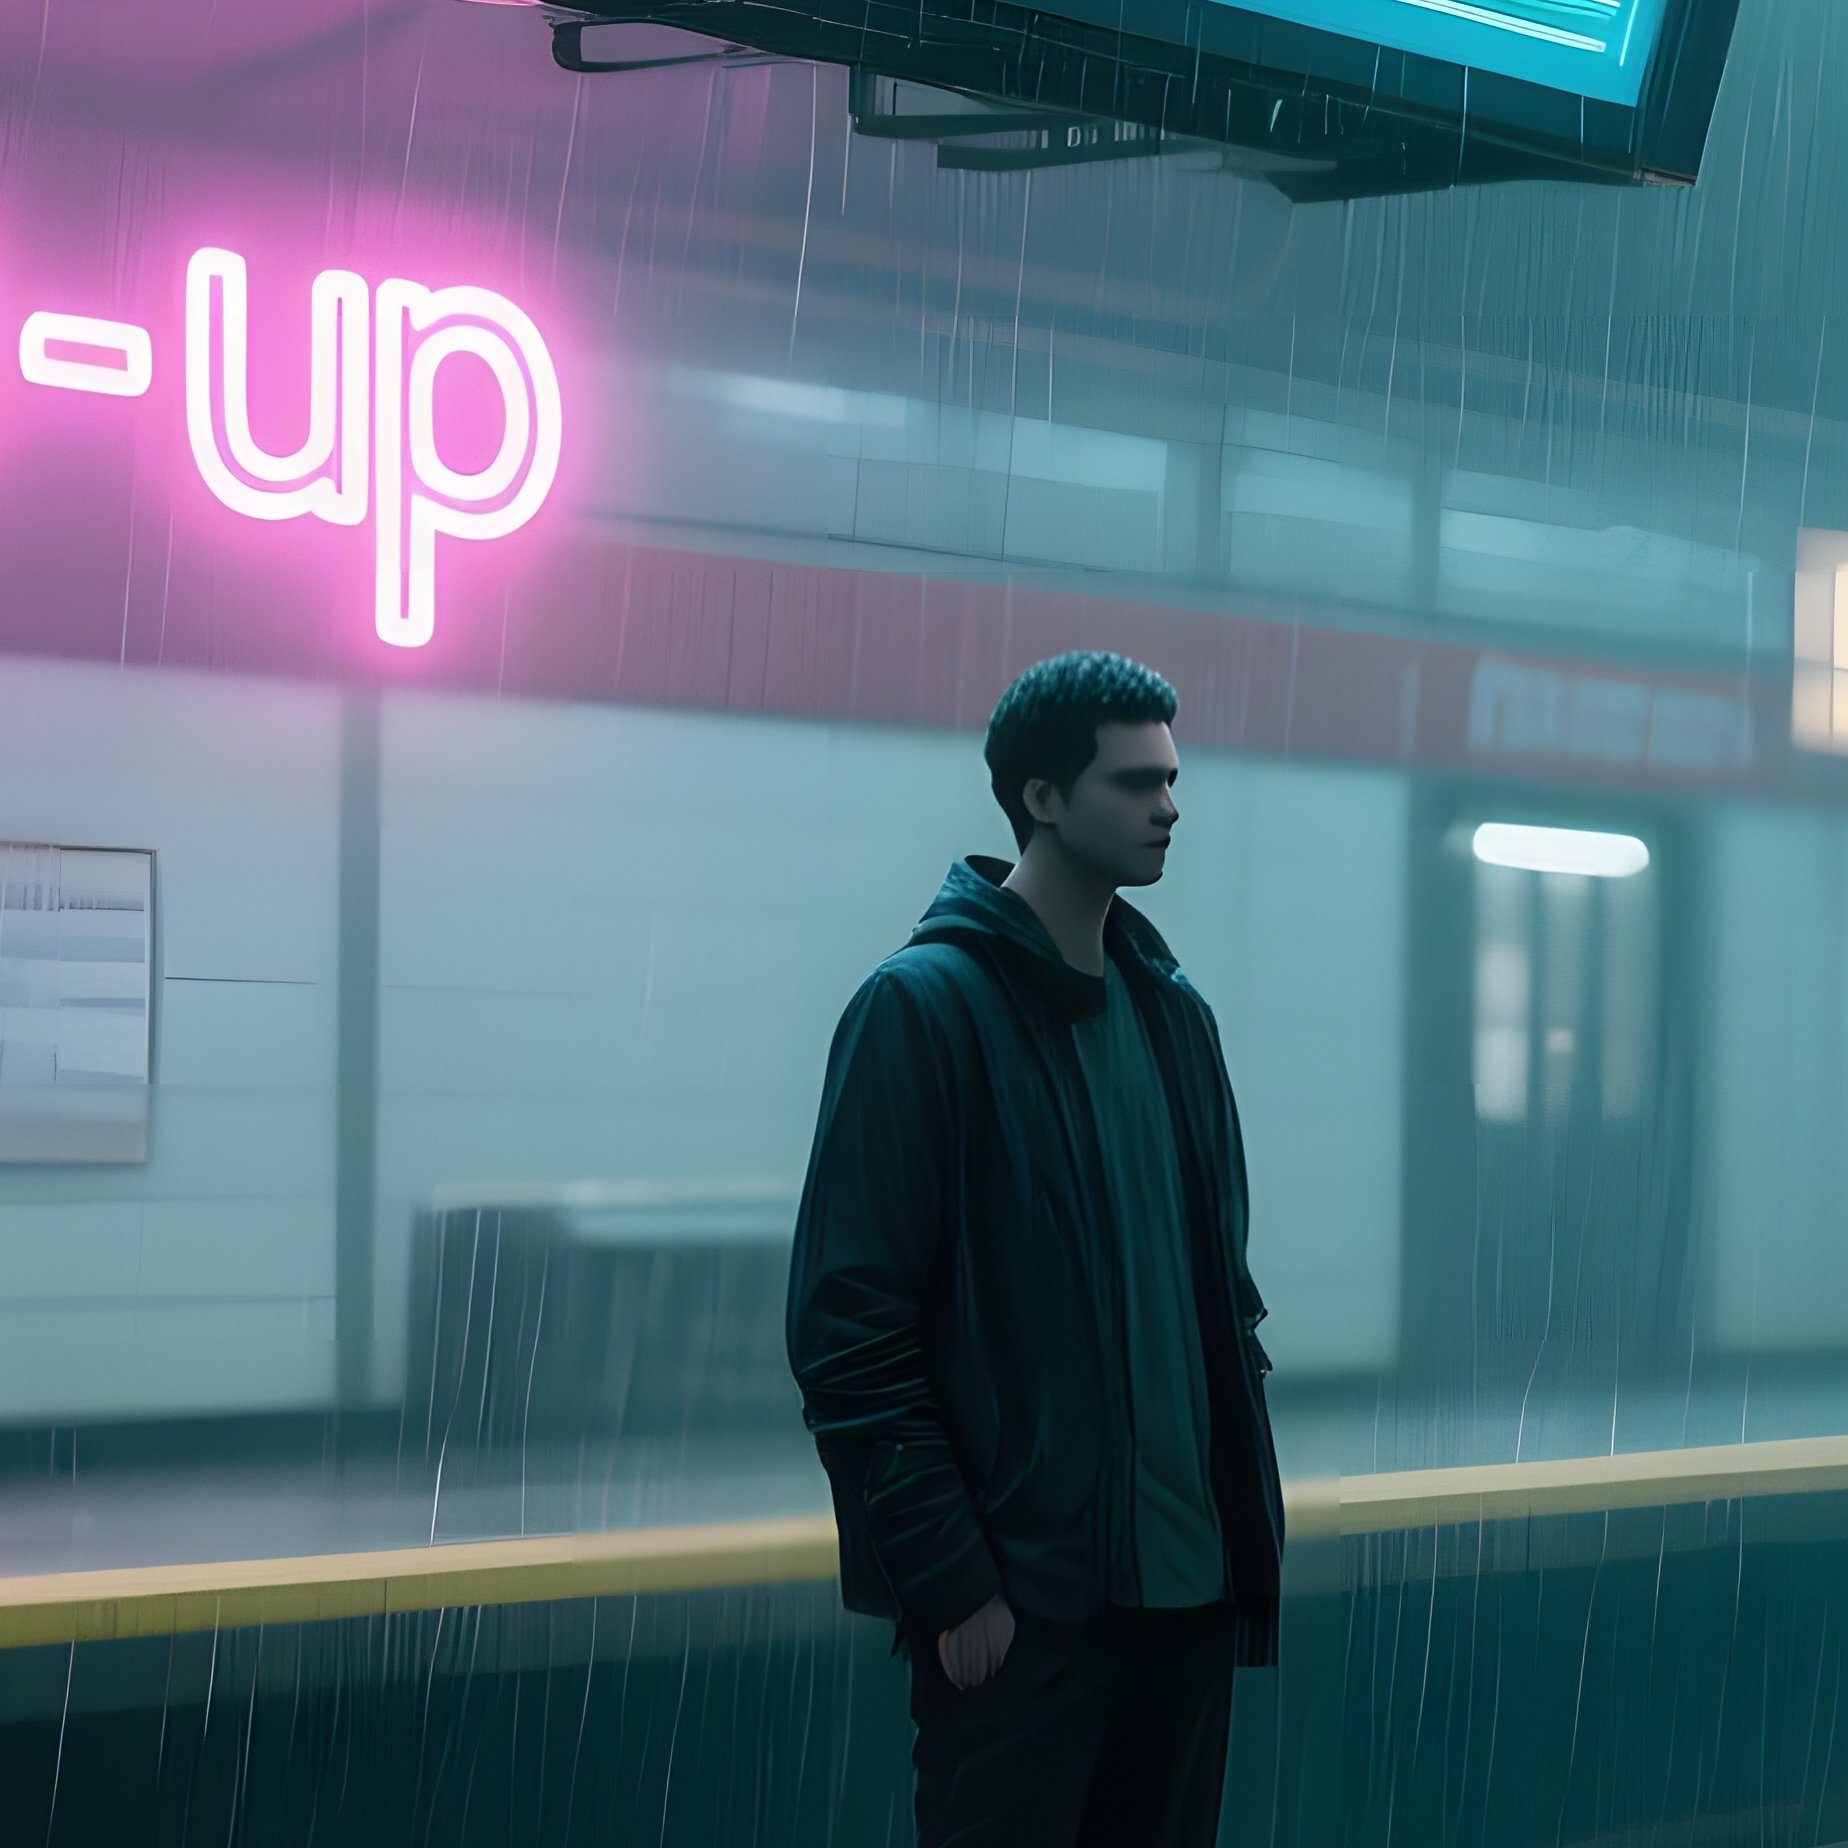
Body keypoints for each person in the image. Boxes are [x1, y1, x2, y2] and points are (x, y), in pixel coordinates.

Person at [785, 650, 1284, 1847]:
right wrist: (952, 1581)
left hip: (1187, 1600)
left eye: (1171, 779)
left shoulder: (1176, 1018)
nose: (1169, 807)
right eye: (1134, 783)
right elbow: (849, 1331)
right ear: (1042, 799)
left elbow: (1225, 1299)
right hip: (1029, 1611)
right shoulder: (921, 1011)